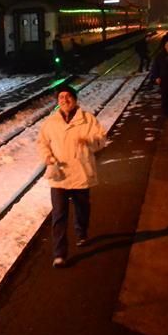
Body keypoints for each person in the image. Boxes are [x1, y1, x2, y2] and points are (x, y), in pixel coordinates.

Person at [37, 84, 107, 267]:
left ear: (75, 99)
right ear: (57, 101)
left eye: (68, 96)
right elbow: (42, 142)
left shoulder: (88, 120)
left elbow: (101, 141)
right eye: (61, 97)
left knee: (82, 209)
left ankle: (81, 231)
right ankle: (60, 254)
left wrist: (90, 140)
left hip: (80, 173)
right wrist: (47, 156)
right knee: (59, 215)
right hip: (59, 175)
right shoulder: (50, 123)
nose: (65, 100)